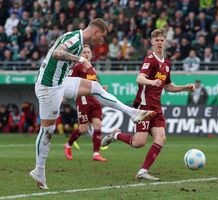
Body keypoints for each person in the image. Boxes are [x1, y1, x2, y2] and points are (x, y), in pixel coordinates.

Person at [30, 18, 156, 190]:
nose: (101, 41)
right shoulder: (75, 40)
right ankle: (39, 170)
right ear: (95, 32)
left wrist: (79, 58)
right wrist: (81, 59)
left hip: (60, 82)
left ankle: (132, 113)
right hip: (48, 87)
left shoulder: (77, 39)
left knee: (95, 87)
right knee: (48, 130)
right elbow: (56, 53)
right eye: (102, 37)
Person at [101, 26, 194, 181]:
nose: (159, 42)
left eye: (161, 40)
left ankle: (143, 171)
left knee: (161, 138)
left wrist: (184, 87)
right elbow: (139, 78)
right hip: (143, 106)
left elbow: (168, 86)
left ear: (165, 42)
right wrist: (152, 81)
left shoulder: (167, 64)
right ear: (152, 42)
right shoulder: (150, 59)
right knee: (139, 143)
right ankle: (115, 135)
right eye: (156, 40)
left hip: (156, 107)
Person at [64, 44, 107, 162]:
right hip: (82, 99)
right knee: (82, 129)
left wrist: (101, 88)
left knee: (98, 125)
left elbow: (93, 85)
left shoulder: (91, 68)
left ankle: (96, 154)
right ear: (80, 55)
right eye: (84, 52)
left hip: (93, 99)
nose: (87, 54)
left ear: (91, 54)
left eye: (88, 52)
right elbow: (69, 82)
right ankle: (68, 145)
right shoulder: (77, 67)